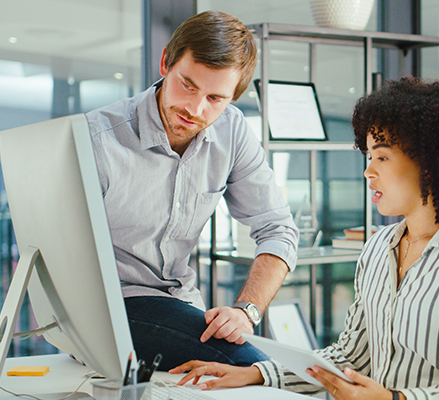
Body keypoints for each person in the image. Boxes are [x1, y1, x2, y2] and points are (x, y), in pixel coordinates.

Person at [169, 76, 439, 400]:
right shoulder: (378, 248)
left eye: (382, 157)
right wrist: (256, 374)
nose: (368, 171)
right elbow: (351, 354)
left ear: (430, 163)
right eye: (369, 156)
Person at [85, 10, 298, 370]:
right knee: (254, 371)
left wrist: (247, 311)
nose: (194, 109)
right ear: (166, 62)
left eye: (215, 98)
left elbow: (278, 230)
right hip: (107, 305)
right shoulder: (96, 138)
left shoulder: (233, 132)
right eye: (188, 85)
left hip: (181, 304)